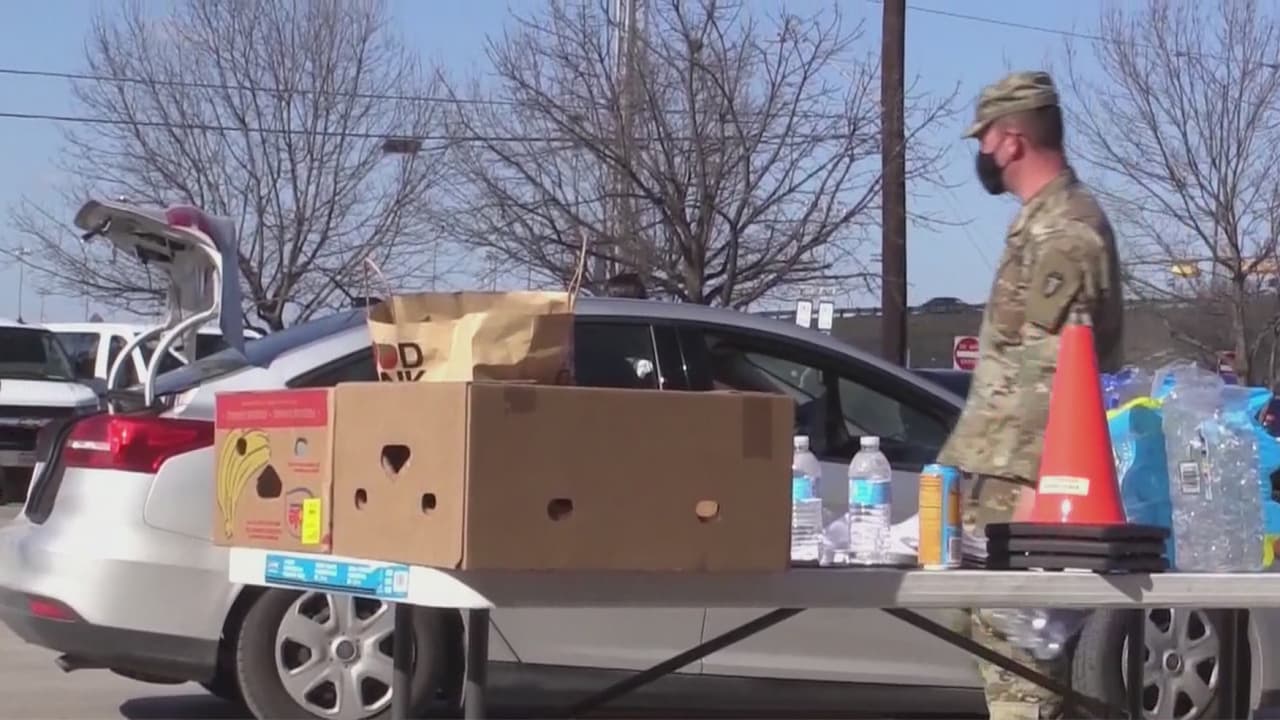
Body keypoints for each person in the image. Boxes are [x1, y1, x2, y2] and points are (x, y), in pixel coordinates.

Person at [936, 71, 1124, 720]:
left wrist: (1048, 486)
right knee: (997, 648)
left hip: (1025, 486)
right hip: (996, 476)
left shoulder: (1065, 232)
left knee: (1024, 671)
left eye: (985, 138)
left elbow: (1059, 372)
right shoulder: (1037, 226)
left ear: (1011, 140)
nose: (982, 153)